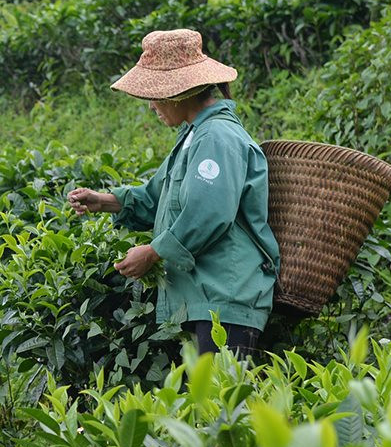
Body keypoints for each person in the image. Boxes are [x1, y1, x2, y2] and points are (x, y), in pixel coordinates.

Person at [67, 29, 280, 357]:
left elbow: (208, 213)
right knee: (206, 405)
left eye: (156, 95)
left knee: (226, 405)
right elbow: (158, 198)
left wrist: (152, 252)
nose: (152, 106)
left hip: (226, 296)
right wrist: (104, 201)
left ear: (181, 93)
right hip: (202, 296)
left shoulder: (217, 138)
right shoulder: (193, 137)